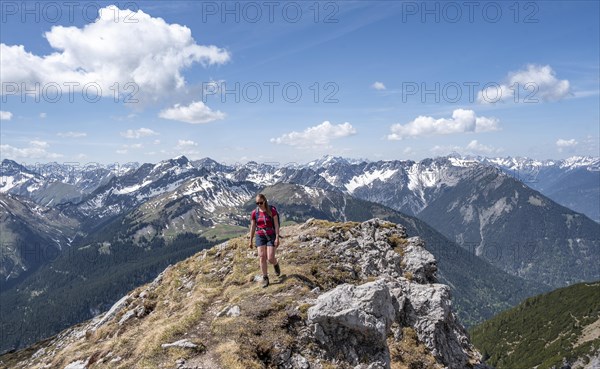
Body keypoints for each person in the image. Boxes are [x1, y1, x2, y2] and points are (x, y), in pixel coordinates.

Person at [248, 193, 281, 287]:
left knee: (270, 258)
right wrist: (250, 240)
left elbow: (276, 225)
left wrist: (277, 237)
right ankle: (265, 277)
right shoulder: (255, 213)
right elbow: (253, 226)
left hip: (271, 235)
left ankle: (275, 263)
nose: (259, 205)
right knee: (262, 256)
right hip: (260, 235)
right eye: (257, 203)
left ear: (265, 201)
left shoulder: (272, 210)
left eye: (260, 203)